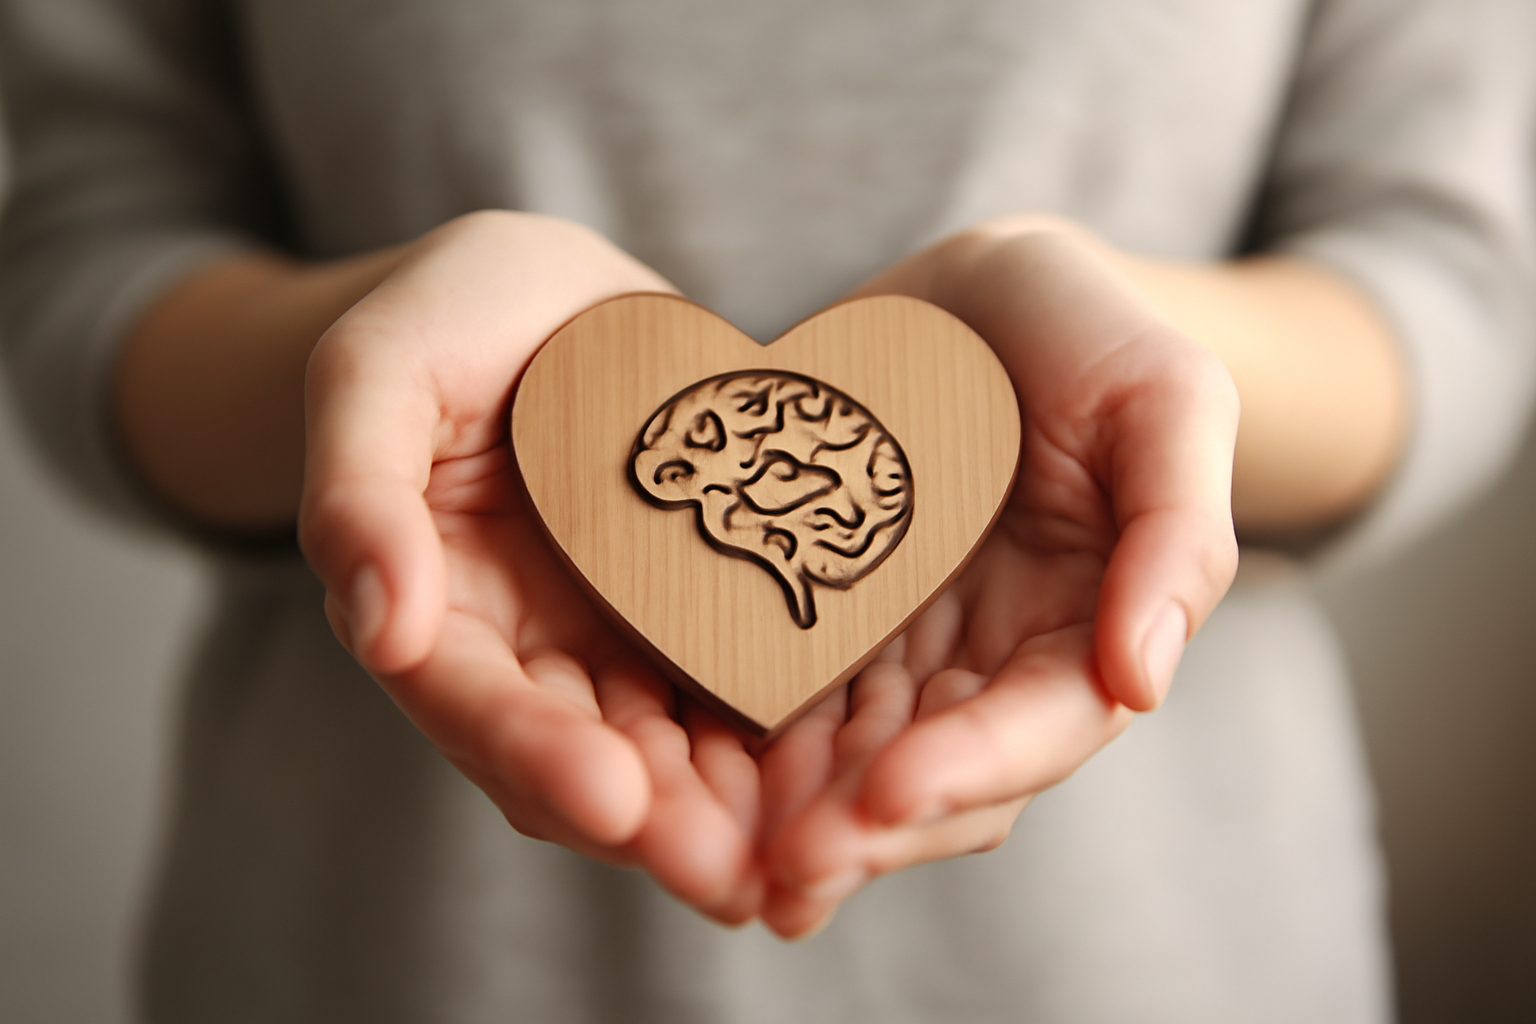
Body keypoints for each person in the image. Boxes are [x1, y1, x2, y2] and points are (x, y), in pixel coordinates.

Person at [1, 0, 1531, 1020]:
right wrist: (374, 372)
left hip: (1154, 956)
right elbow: (93, 249)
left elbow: (1454, 280)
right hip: (383, 952)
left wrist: (1152, 380)